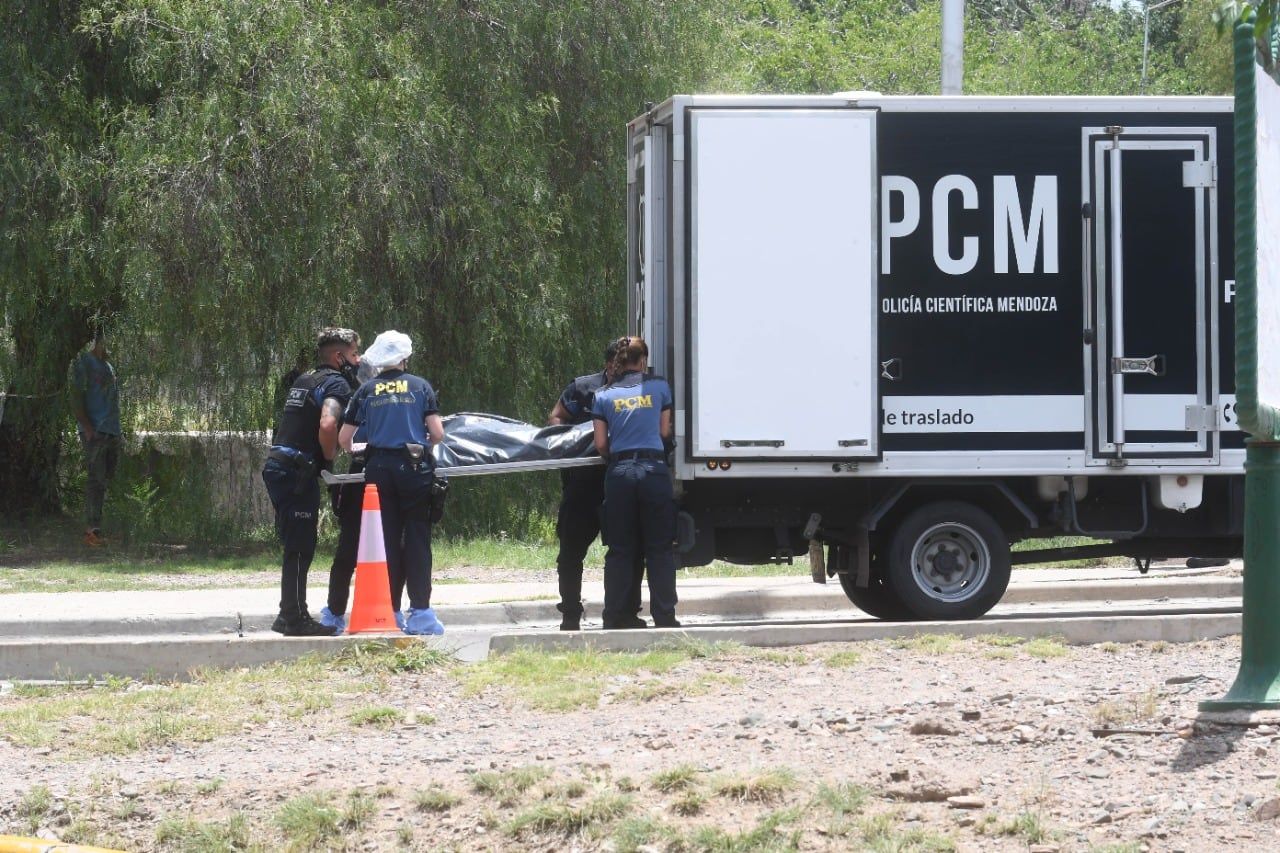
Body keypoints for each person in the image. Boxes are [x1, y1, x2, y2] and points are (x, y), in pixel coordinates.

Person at [339, 330, 445, 635]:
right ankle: (421, 613)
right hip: (414, 469)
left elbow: (346, 439)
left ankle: (391, 611)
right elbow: (437, 433)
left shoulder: (367, 390)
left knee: (385, 541)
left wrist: (366, 446)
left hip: (379, 470)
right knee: (416, 538)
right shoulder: (421, 386)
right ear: (404, 358)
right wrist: (419, 442)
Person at [262, 327, 362, 636]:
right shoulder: (336, 383)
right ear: (339, 356)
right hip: (296, 472)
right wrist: (329, 455)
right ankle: (294, 617)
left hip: (280, 466)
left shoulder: (305, 380)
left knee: (297, 543)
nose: (358, 361)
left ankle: (289, 613)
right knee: (300, 546)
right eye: (355, 354)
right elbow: (329, 422)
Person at [548, 339, 645, 630]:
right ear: (608, 364)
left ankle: (624, 612)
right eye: (618, 363)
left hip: (621, 482)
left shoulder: (639, 391)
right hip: (582, 484)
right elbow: (555, 417)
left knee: (626, 551)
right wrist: (573, 440)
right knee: (570, 552)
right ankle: (570, 613)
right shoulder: (583, 388)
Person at [591, 336, 679, 629]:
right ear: (643, 360)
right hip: (653, 471)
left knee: (620, 550)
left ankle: (615, 616)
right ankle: (665, 616)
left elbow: (601, 443)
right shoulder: (660, 387)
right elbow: (664, 431)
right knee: (659, 548)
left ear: (619, 360)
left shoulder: (603, 395)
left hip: (620, 474)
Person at [318, 359, 378, 634]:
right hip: (378, 477)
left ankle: (337, 611)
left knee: (351, 550)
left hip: (368, 476)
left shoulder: (366, 399)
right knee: (354, 549)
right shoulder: (362, 399)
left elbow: (344, 441)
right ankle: (337, 610)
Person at [72, 330, 122, 547]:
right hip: (95, 430)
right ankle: (91, 531)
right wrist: (87, 428)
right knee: (95, 479)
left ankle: (98, 528)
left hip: (112, 431)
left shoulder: (109, 367)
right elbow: (76, 396)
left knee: (106, 479)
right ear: (100, 339)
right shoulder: (84, 362)